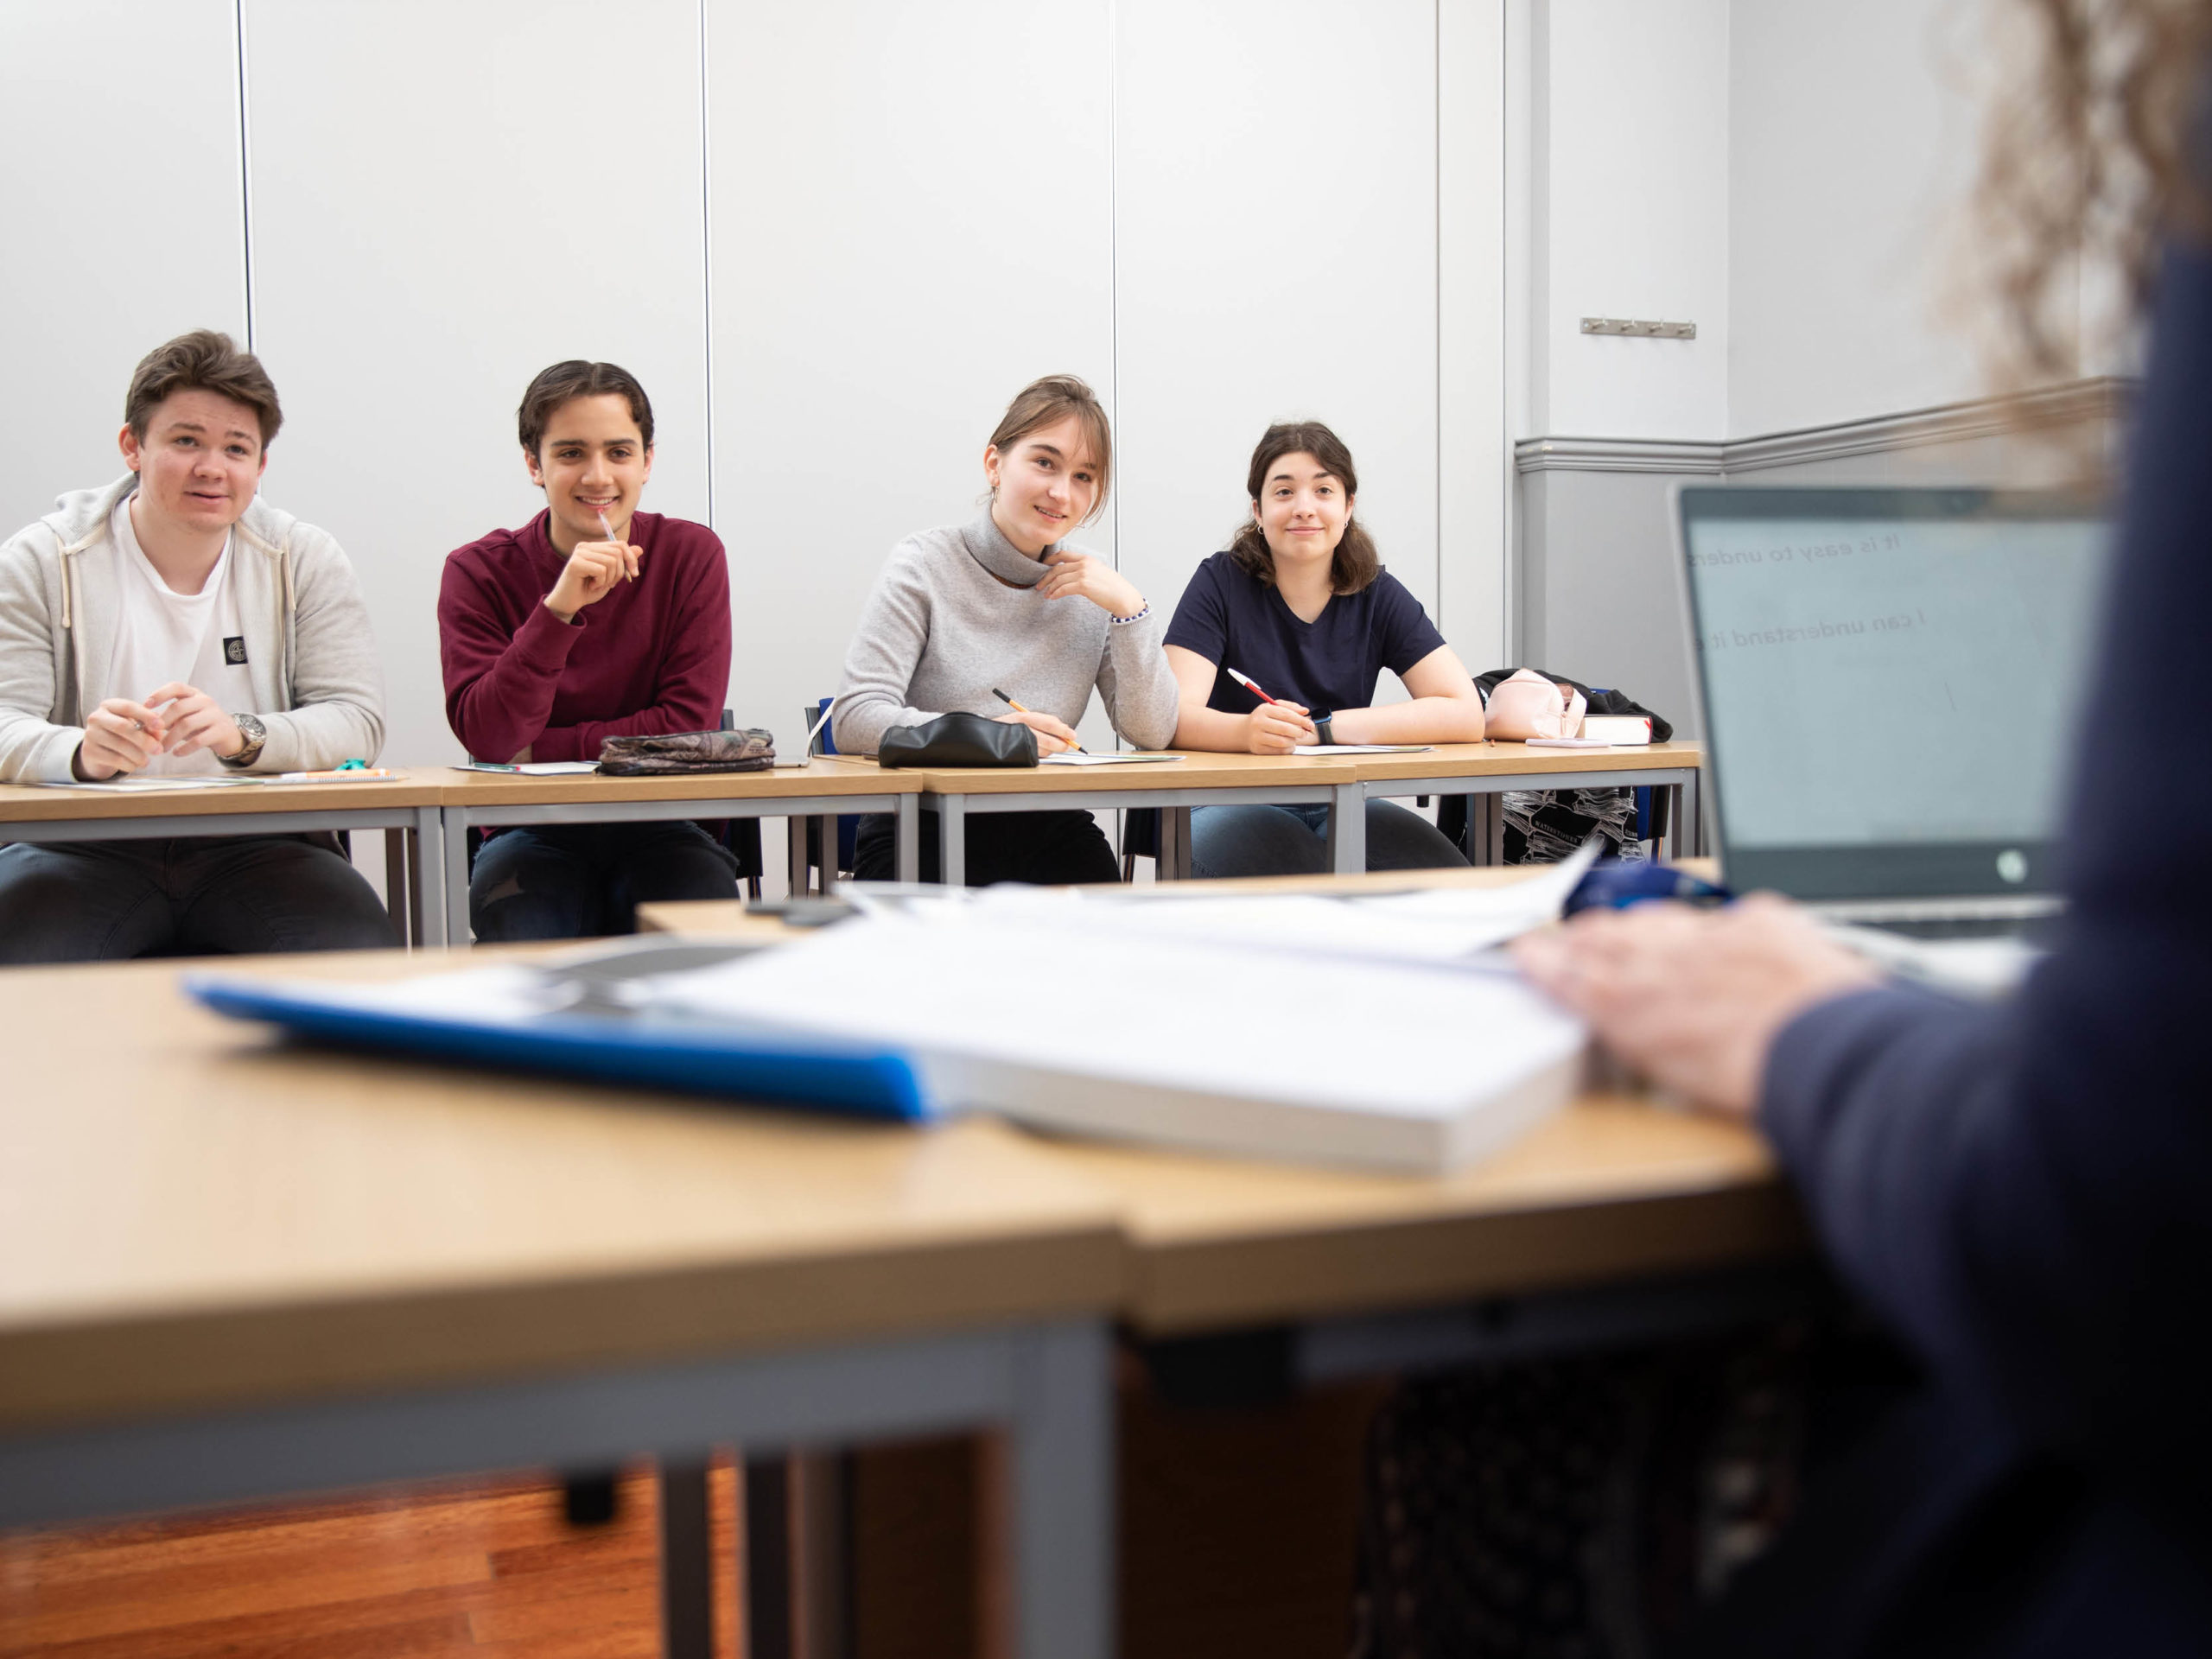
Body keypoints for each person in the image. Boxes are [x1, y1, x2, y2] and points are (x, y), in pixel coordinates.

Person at [1510, 14, 2212, 1650]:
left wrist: (1817, 1032)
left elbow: (2125, 1217)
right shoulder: (1204, 591)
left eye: (1330, 489)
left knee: (1506, 1422)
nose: (1309, 511)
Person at [0, 330, 394, 962]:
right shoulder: (41, 558)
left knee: (356, 957)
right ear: (133, 446)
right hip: (77, 844)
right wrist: (79, 751)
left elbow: (355, 721)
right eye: (185, 441)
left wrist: (243, 735)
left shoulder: (304, 558)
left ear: (260, 466)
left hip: (262, 845)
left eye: (236, 448)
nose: (212, 468)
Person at [833, 373, 1177, 886]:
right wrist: (988, 737)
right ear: (995, 463)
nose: (1062, 492)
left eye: (1084, 476)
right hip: (924, 826)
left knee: (1115, 950)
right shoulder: (923, 563)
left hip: (1052, 825)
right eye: (1045, 463)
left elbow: (1151, 732)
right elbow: (855, 718)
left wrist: (1131, 609)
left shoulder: (1093, 584)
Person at [439, 360, 739, 940]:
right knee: (527, 925)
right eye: (572, 453)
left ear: (647, 462)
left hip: (664, 823)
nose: (598, 476)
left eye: (620, 453)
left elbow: (685, 726)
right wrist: (558, 611)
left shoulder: (690, 555)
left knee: (699, 929)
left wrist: (535, 751)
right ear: (535, 464)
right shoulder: (477, 571)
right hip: (528, 829)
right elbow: (490, 738)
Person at [1161, 420, 1486, 876]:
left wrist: (1323, 729)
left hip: (1343, 798)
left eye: (1324, 491)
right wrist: (1245, 733)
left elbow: (1465, 712)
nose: (1304, 508)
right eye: (1283, 492)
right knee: (1308, 881)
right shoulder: (1219, 582)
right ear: (1257, 510)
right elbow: (1171, 717)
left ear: (1349, 506)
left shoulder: (1377, 591)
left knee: (1458, 889)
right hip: (1226, 797)